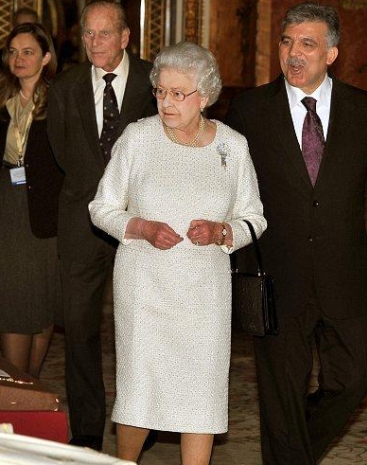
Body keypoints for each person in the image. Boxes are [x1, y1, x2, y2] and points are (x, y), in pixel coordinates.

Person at [225, 2, 367, 464]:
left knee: (356, 376)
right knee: (282, 392)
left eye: (307, 44)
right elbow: (225, 187)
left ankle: (291, 452)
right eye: (287, 42)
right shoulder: (250, 109)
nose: (294, 53)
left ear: (331, 54)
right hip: (275, 275)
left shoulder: (365, 111)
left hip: (344, 273)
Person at [88, 41, 266, 464]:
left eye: (178, 93)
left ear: (204, 96)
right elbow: (101, 208)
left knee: (202, 393)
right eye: (161, 91)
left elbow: (255, 218)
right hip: (145, 288)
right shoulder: (138, 137)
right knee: (140, 389)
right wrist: (142, 227)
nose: (166, 102)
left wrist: (223, 231)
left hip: (205, 293)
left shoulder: (233, 146)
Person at [47, 0, 157, 451]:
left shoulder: (155, 80)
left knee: (142, 326)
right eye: (88, 34)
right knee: (79, 328)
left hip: (142, 220)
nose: (94, 42)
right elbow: (62, 152)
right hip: (82, 221)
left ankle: (143, 420)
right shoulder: (66, 85)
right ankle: (88, 426)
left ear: (125, 37)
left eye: (104, 33)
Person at [0, 22, 62, 377]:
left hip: (44, 211)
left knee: (40, 300)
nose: (18, 59)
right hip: (4, 207)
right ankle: (17, 383)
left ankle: (28, 382)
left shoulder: (60, 100)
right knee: (13, 301)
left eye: (28, 52)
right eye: (13, 52)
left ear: (46, 58)